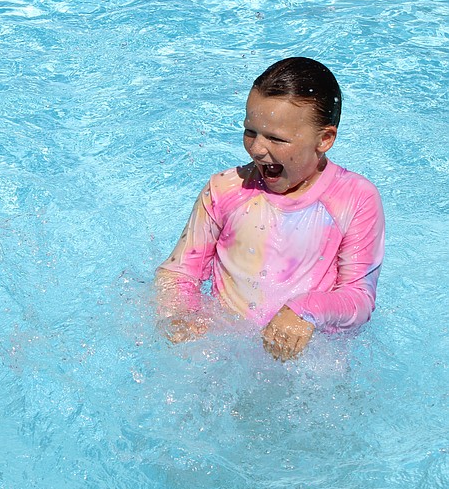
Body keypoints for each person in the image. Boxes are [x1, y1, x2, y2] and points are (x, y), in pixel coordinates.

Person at [156, 57, 384, 361]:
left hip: (308, 364)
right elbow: (178, 272)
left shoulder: (354, 198)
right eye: (251, 131)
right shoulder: (226, 189)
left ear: (324, 139)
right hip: (226, 357)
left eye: (276, 138)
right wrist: (181, 316)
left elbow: (359, 298)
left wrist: (305, 310)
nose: (257, 149)